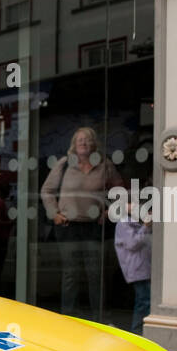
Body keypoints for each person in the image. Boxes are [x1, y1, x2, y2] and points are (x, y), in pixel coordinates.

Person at [40, 126, 123, 318]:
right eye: (80, 140)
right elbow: (47, 191)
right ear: (74, 145)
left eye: (87, 140)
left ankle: (99, 317)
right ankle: (68, 316)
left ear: (94, 144)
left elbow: (120, 190)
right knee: (71, 274)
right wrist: (54, 213)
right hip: (68, 226)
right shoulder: (64, 164)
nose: (84, 143)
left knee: (96, 274)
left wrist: (109, 210)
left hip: (94, 227)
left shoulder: (105, 165)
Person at [115, 206, 152, 335]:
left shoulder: (136, 222)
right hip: (137, 268)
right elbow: (132, 244)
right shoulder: (124, 223)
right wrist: (146, 226)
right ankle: (137, 331)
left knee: (145, 300)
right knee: (143, 301)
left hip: (144, 267)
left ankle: (141, 330)